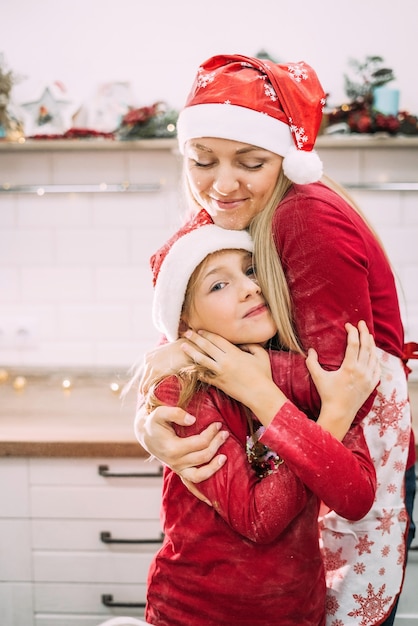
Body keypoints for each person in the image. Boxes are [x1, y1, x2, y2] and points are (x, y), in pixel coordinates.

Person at [135, 55, 415, 625]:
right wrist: (151, 413)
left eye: (250, 160)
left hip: (348, 461)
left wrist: (260, 391)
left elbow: (335, 391)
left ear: (287, 159)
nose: (221, 182)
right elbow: (177, 303)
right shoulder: (227, 214)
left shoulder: (302, 214)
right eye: (202, 160)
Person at [143, 216, 379, 626]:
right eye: (219, 284)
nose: (250, 287)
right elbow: (259, 520)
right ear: (185, 325)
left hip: (298, 612)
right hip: (196, 614)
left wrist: (315, 405)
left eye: (251, 270)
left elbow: (357, 499)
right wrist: (333, 416)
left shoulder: (312, 372)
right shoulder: (183, 392)